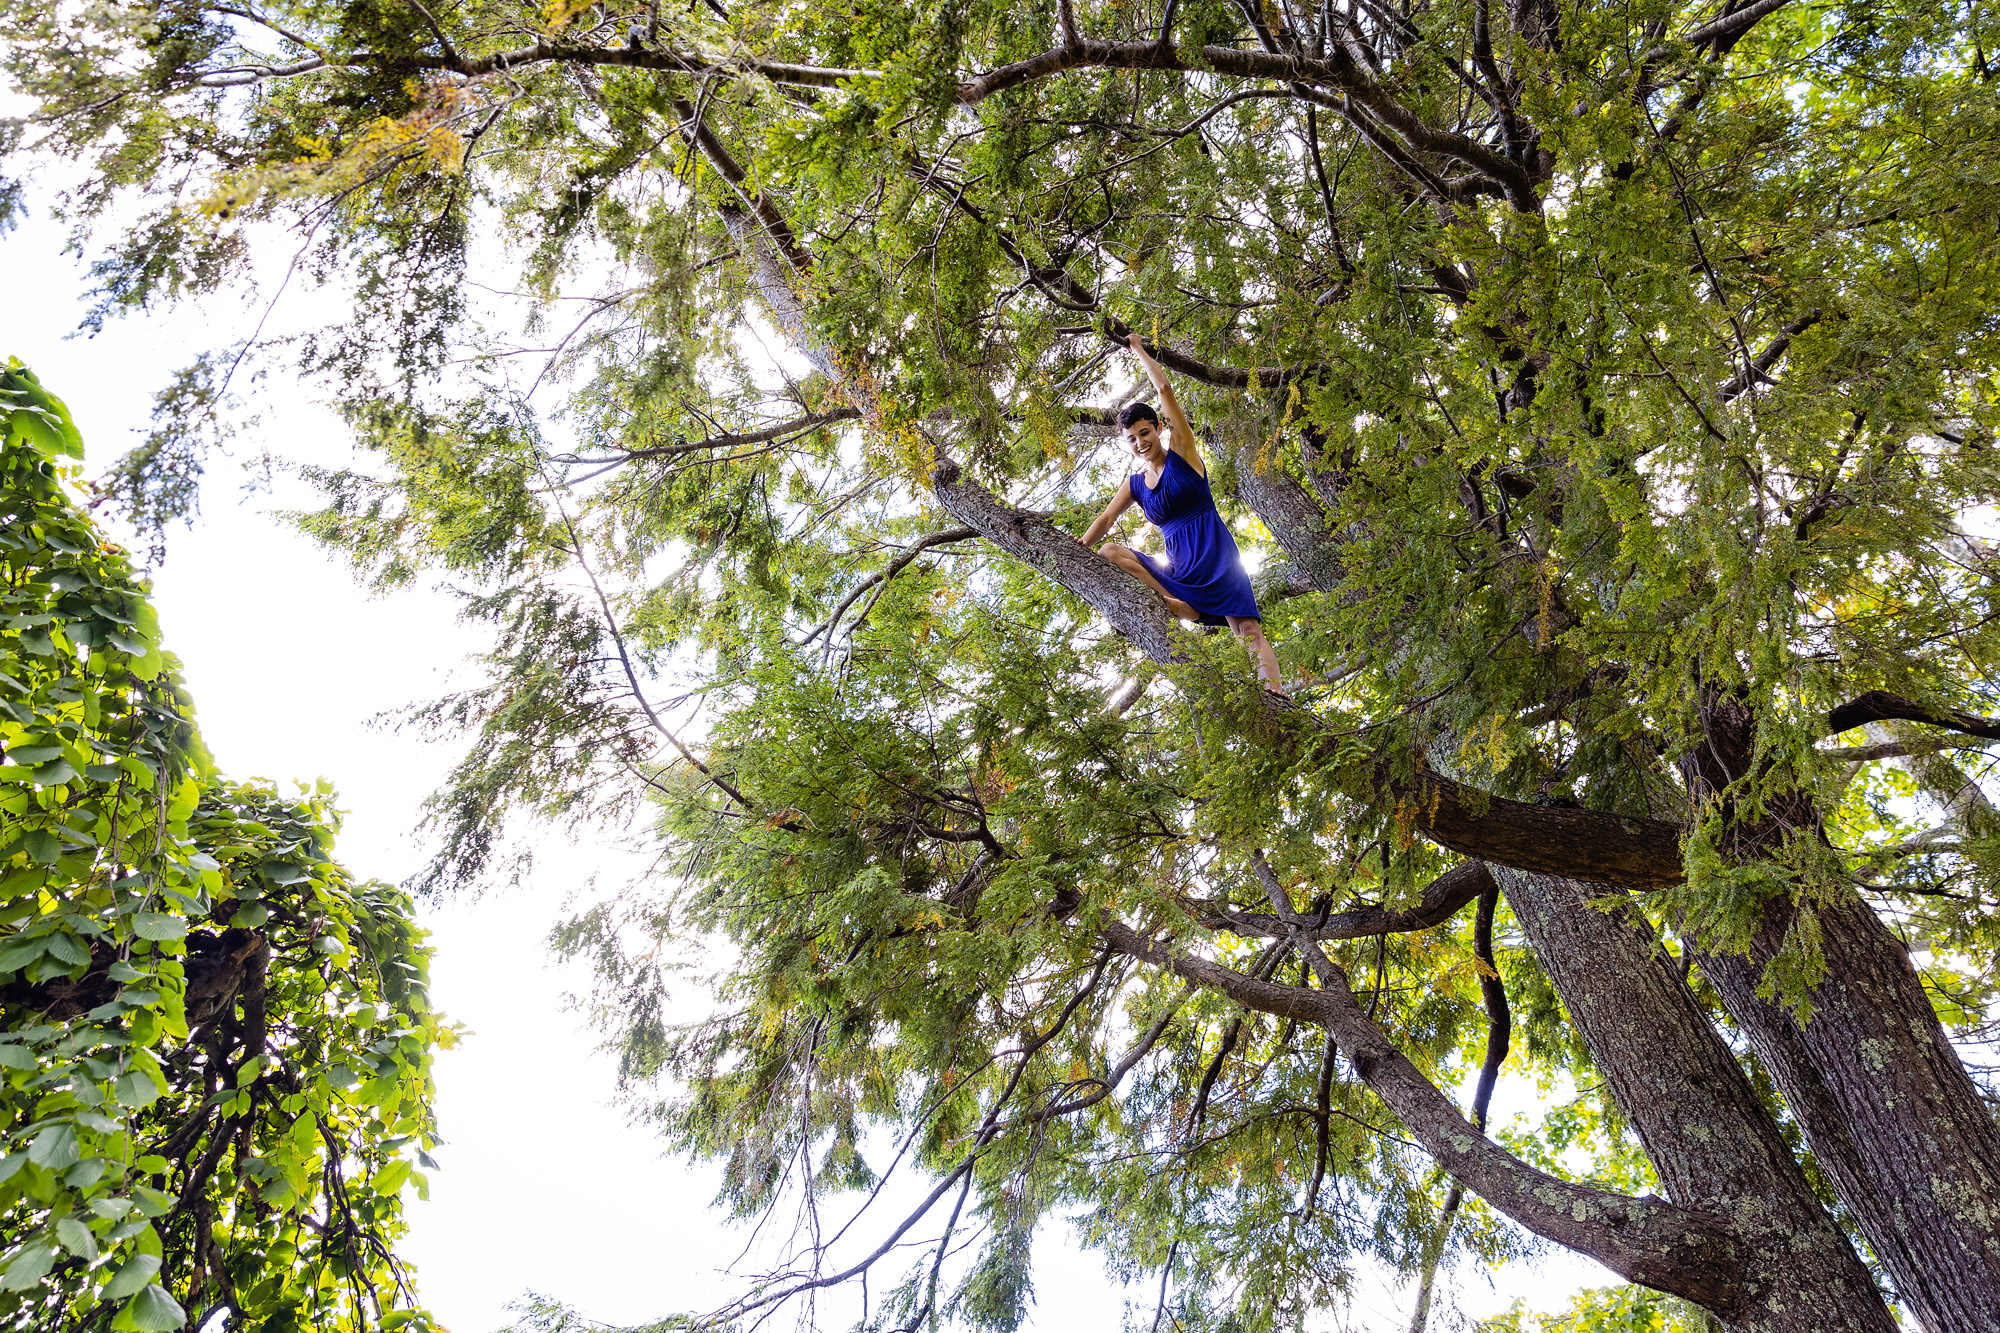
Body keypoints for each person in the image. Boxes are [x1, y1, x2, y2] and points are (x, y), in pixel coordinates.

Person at [1079, 333, 1286, 695]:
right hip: (1178, 567)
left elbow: (1164, 391)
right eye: (1132, 438)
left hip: (1217, 556)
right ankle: (1180, 604)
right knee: (1108, 551)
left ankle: (1274, 693)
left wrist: (1138, 349)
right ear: (1126, 443)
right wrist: (1077, 547)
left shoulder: (1183, 453)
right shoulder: (1135, 484)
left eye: (1145, 433)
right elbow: (1106, 520)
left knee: (1248, 630)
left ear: (1158, 429)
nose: (1140, 442)